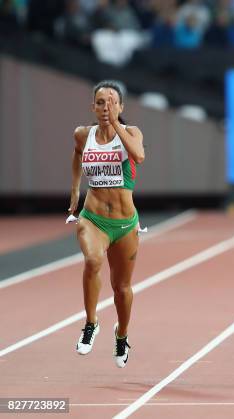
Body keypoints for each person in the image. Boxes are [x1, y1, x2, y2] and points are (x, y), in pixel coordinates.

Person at [68, 80, 145, 368]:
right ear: (93, 107)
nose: (106, 108)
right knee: (92, 260)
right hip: (93, 218)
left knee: (122, 288)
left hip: (125, 223)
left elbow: (138, 155)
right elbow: (77, 155)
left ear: (121, 107)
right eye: (100, 103)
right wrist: (75, 189)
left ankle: (122, 335)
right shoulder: (82, 135)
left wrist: (117, 124)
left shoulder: (132, 132)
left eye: (112, 103)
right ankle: (91, 323)